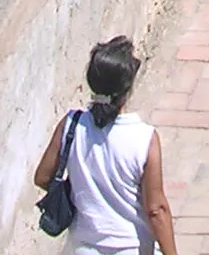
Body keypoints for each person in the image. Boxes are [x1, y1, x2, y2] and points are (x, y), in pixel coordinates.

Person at [34, 36, 177, 255]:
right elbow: (156, 210)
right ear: (127, 89)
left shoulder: (71, 125)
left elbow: (43, 177)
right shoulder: (144, 138)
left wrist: (82, 192)